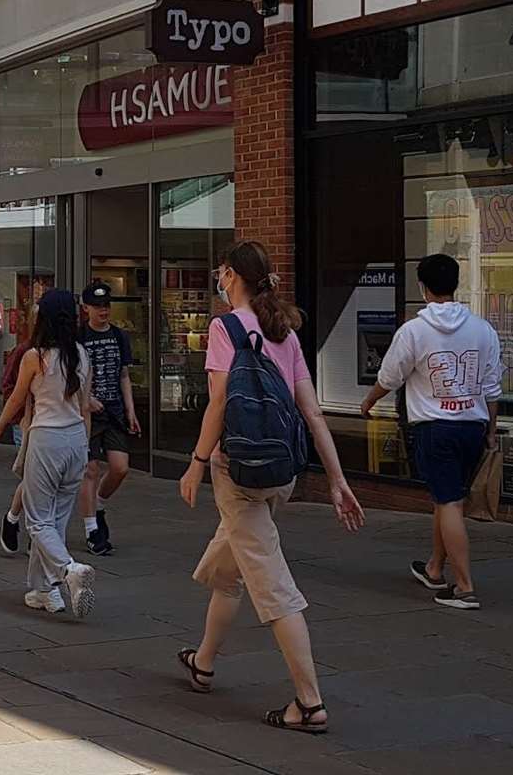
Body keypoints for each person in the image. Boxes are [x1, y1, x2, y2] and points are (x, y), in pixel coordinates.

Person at [176, 240, 365, 734]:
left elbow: (218, 405)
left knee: (273, 586)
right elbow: (312, 411)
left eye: (222, 270)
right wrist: (338, 480)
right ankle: (203, 662)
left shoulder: (226, 328)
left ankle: (310, 702)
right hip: (281, 472)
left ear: (233, 276)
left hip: (236, 469)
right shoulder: (285, 332)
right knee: (230, 567)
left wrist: (196, 462)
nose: (219, 277)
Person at [359, 252, 502, 611]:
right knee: (447, 496)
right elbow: (492, 387)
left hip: (434, 428)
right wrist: (491, 430)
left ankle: (464, 586)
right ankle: (435, 568)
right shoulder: (482, 329)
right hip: (472, 425)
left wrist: (368, 401)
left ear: (423, 288)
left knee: (448, 502)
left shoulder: (414, 330)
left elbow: (390, 376)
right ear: (455, 284)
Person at [0, 288, 96, 618]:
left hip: (46, 438)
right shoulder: (81, 353)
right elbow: (85, 406)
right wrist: (85, 443)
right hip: (76, 439)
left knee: (37, 520)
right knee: (56, 521)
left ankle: (68, 571)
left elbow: (17, 398)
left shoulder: (35, 356)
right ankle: (44, 590)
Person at [79, 282, 141, 557]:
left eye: (106, 306)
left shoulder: (119, 336)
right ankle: (92, 529)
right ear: (86, 308)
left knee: (120, 467)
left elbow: (124, 375)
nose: (103, 311)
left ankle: (99, 503)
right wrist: (86, 400)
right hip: (89, 412)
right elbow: (74, 376)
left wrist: (130, 410)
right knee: (90, 470)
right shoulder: (79, 337)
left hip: (114, 409)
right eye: (97, 306)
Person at [0, 319, 35, 556]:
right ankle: (29, 530)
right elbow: (10, 387)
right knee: (35, 481)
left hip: (57, 430)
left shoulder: (71, 352)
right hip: (29, 425)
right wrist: (15, 418)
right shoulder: (26, 351)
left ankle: (15, 520)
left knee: (38, 483)